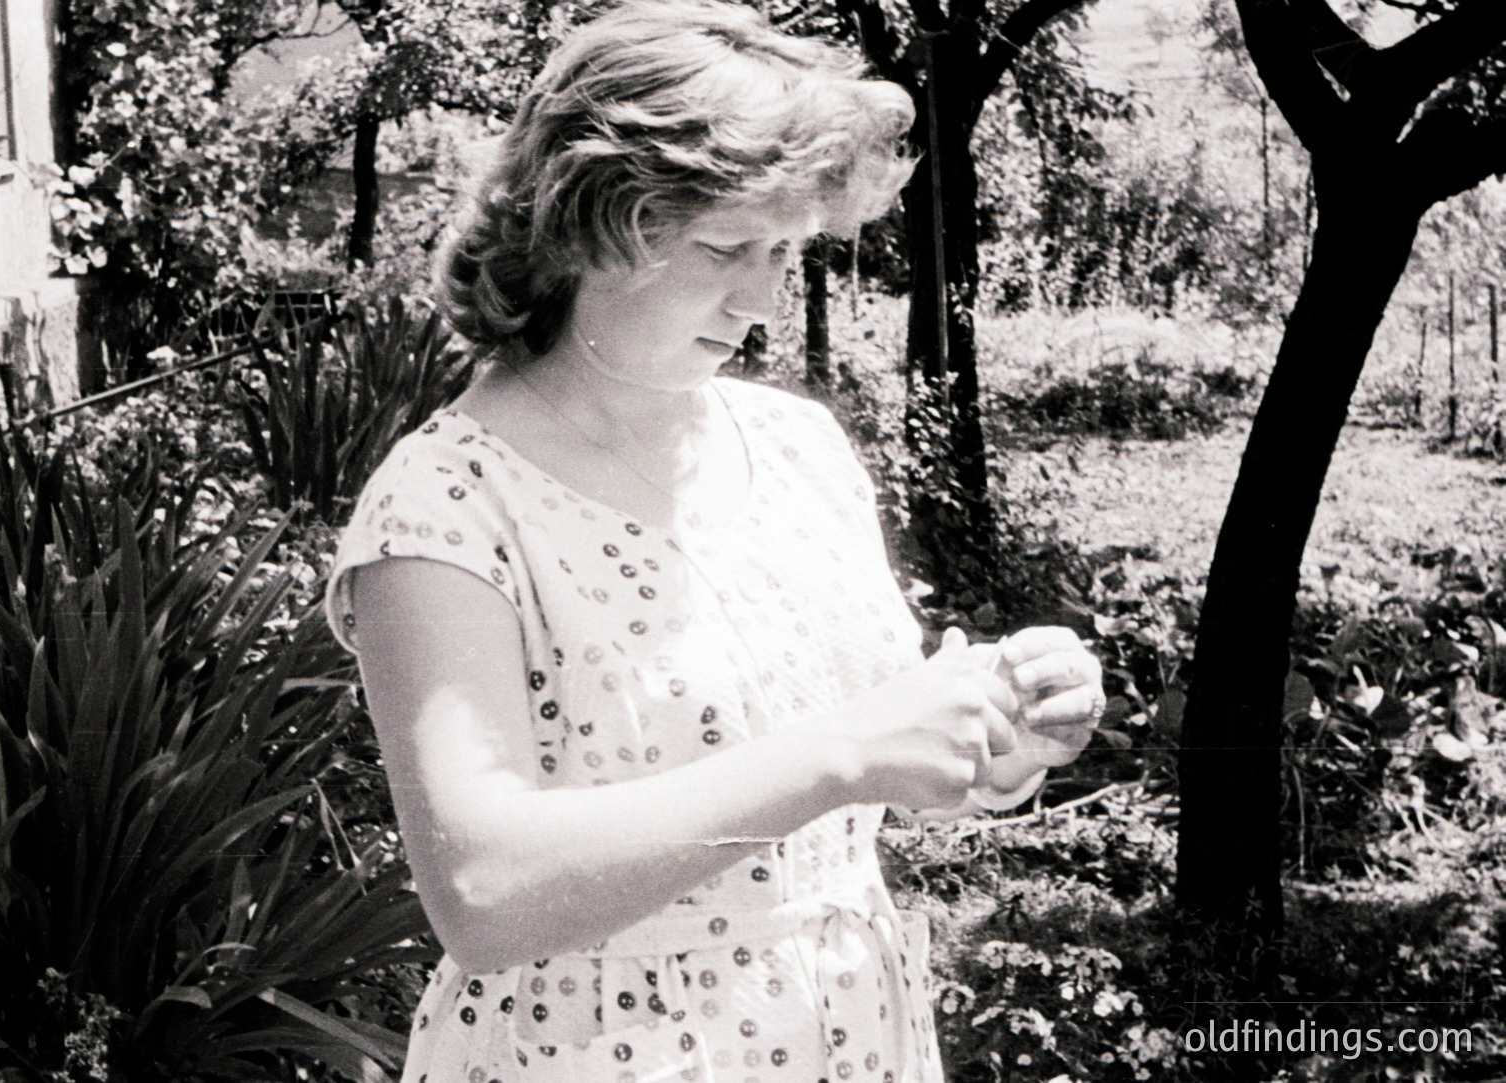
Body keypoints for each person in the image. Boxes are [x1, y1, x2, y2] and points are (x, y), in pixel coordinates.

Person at [325, 2, 1105, 1079]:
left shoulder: (798, 448)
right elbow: (485, 892)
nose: (764, 297)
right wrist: (842, 756)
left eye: (784, 249)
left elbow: (859, 787)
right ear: (589, 223)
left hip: (852, 1035)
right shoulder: (446, 506)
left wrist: (988, 742)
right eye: (727, 247)